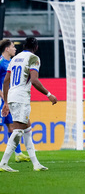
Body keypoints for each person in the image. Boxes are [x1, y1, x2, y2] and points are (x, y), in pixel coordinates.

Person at [0, 37, 58, 172]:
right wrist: (49, 95)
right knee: (18, 130)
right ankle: (3, 163)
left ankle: (36, 164)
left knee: (27, 129)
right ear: (36, 47)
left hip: (13, 96)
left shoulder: (14, 59)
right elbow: (34, 80)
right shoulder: (34, 58)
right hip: (21, 97)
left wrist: (6, 102)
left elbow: (5, 81)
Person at [0, 39, 30, 163]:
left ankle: (18, 153)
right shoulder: (1, 63)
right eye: (13, 46)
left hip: (8, 99)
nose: (15, 49)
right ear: (7, 49)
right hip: (2, 99)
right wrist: (2, 96)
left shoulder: (11, 62)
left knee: (12, 126)